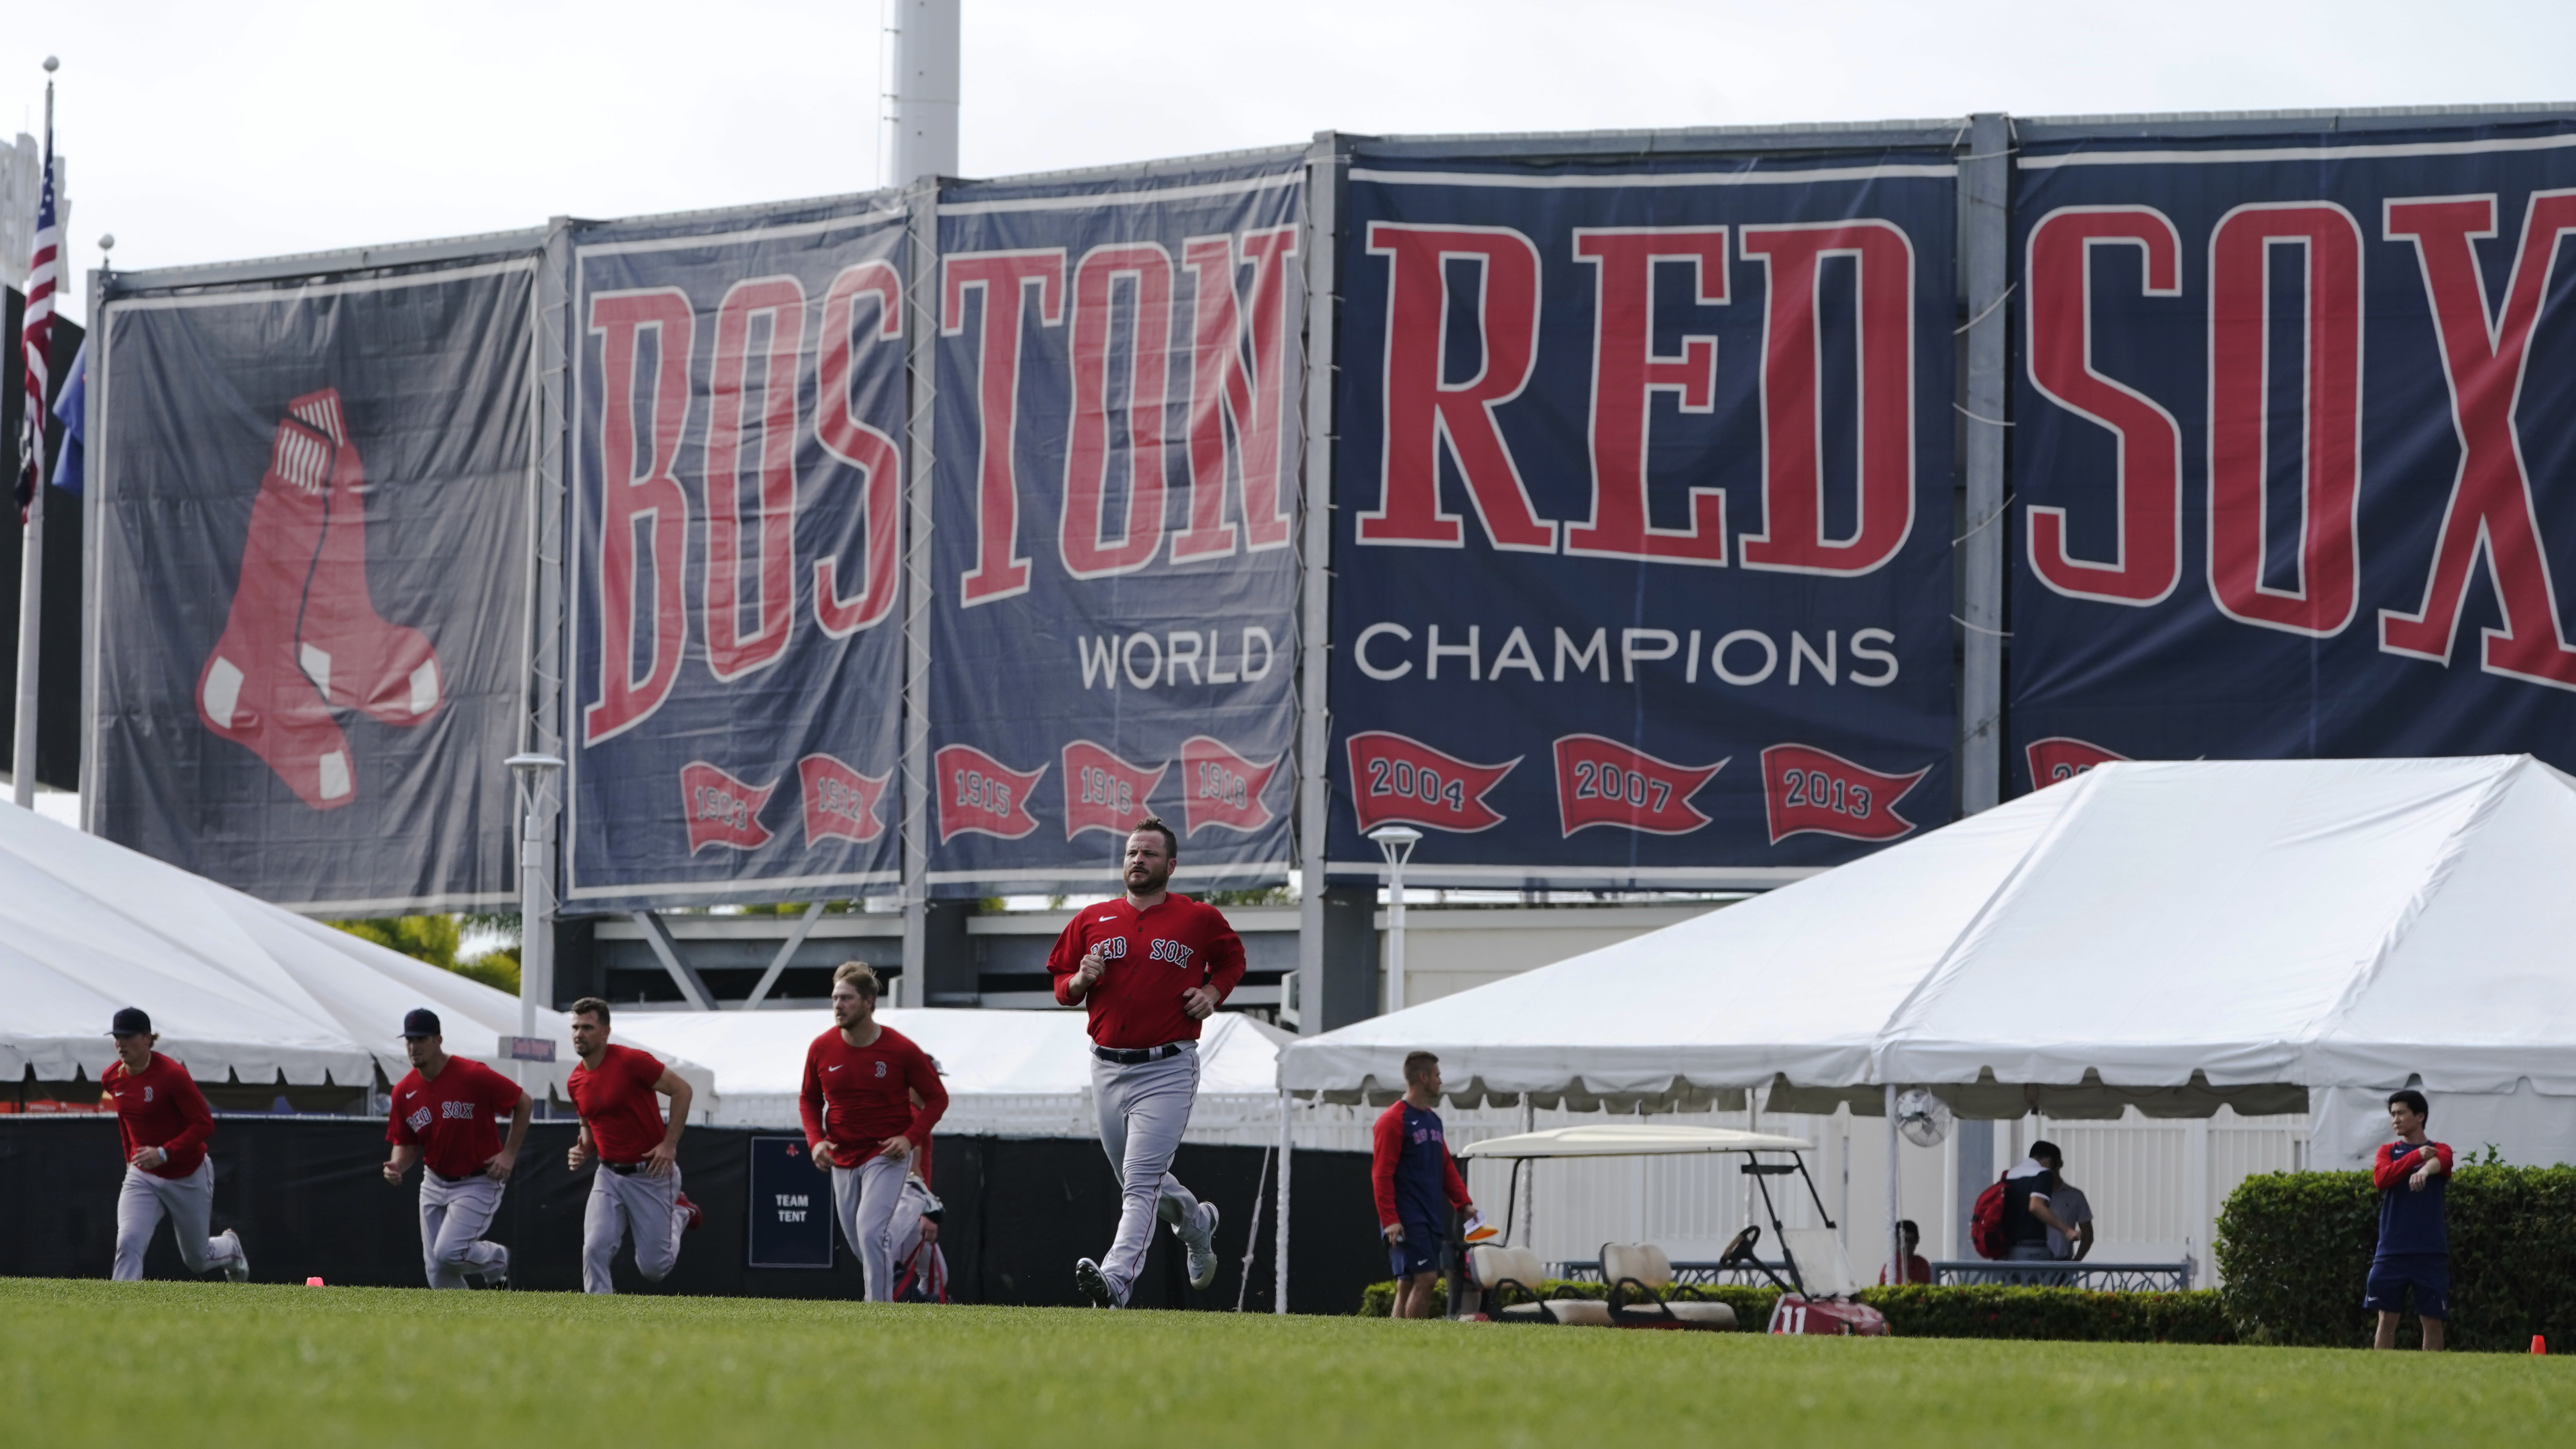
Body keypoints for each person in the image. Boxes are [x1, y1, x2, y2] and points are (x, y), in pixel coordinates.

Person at [1049, 818, 1243, 1308]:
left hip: (1167, 1067)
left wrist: (1213, 992)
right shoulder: (1092, 918)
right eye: (1132, 852)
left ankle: (1115, 1281)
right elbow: (1059, 985)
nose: (1138, 859)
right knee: (1141, 1182)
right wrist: (1078, 981)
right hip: (1106, 1065)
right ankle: (1197, 1225)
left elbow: (1233, 958)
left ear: (1170, 865)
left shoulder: (1197, 917)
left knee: (1138, 1181)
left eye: (1149, 853)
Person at [800, 962, 948, 1302]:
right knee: (863, 1246)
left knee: (871, 1235)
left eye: (847, 999)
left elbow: (938, 1098)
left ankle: (878, 1316)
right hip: (842, 1156)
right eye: (835, 998)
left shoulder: (901, 1049)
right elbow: (808, 1099)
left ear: (869, 1003)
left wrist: (908, 1138)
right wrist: (814, 1142)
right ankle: (914, 1219)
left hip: (886, 1154)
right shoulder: (820, 1048)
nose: (838, 1005)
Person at [381, 1008, 530, 1289]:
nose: (414, 1047)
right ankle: (464, 1326)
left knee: (449, 1252)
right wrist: (397, 1165)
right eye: (409, 1040)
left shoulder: (472, 1075)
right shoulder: (404, 1091)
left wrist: (509, 1153)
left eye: (421, 1039)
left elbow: (524, 1102)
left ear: (438, 1040)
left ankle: (496, 1260)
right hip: (435, 1179)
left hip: (478, 1179)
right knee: (436, 1270)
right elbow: (406, 1143)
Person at [565, 997, 704, 1294]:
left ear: (606, 1032)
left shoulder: (632, 1061)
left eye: (588, 1027)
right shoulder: (575, 1081)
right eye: (575, 1027)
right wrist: (583, 1150)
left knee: (654, 1269)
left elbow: (683, 1090)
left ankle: (681, 1212)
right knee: (594, 1247)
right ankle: (598, 1316)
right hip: (609, 1174)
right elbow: (588, 1129)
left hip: (651, 1175)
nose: (579, 1034)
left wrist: (669, 1145)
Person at [102, 1008, 249, 1283]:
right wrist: (129, 1161)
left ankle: (231, 1248)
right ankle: (120, 1308)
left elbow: (204, 1124)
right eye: (116, 1037)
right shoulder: (112, 1077)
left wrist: (164, 1153)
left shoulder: (172, 1075)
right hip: (143, 1176)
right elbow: (126, 1122)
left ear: (147, 1038)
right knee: (129, 1240)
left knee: (197, 1259)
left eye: (128, 1036)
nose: (120, 1044)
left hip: (187, 1174)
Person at [1371, 1051, 1476, 1318]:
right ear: (1423, 1077)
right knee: (1427, 1279)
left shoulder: (1433, 1120)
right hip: (1406, 1216)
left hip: (1429, 1215)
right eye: (1437, 1075)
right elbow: (1381, 1174)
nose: (1440, 1081)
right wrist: (1390, 1220)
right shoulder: (1392, 1120)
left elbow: (1446, 1166)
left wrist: (1464, 1204)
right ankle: (1417, 1341)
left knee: (1407, 1282)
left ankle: (1396, 1345)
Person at [2367, 1088, 2452, 1351]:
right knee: (2387, 1318)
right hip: (2392, 1250)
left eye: (2401, 1113)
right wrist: (2415, 1158)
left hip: (2430, 1250)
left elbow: (2442, 1162)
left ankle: (2434, 1380)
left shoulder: (2440, 1150)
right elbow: (2382, 1179)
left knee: (2432, 1320)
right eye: (2392, 1114)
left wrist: (2425, 1170)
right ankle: (2380, 1378)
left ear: (2420, 1116)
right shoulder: (2387, 1151)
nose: (2395, 1120)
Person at [2000, 1140, 2085, 1263]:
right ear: (2050, 1161)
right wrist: (2067, 1230)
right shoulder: (2043, 1174)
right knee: (2039, 1283)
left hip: (2009, 1250)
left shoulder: (2009, 1175)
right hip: (2033, 1249)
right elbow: (2035, 1206)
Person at [1878, 1220, 1932, 1285]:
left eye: (1911, 1241)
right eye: (1903, 1241)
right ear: (1895, 1241)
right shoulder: (1892, 1265)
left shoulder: (1922, 1264)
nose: (1907, 1245)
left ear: (1917, 1241)